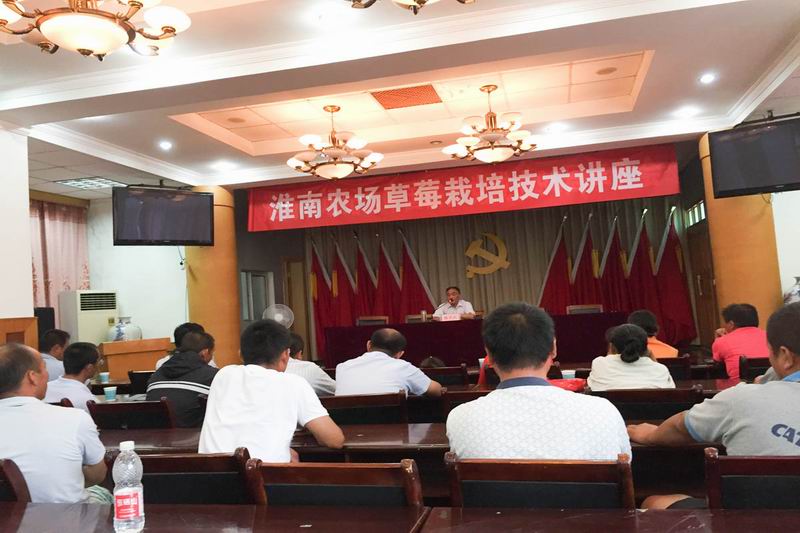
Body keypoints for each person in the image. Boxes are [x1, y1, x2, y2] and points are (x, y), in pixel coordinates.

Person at [627, 302, 800, 509]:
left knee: (654, 501)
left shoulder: (741, 400)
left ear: (786, 356)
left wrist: (649, 435)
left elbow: (680, 426)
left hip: (748, 519)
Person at [446, 303, 631, 460]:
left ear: (489, 356)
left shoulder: (460, 418)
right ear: (553, 348)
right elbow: (625, 469)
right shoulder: (603, 412)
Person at [199, 319, 344, 462]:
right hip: (263, 474)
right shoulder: (293, 383)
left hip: (209, 473)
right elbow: (334, 440)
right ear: (285, 356)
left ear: (241, 354)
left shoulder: (223, 375)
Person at [0, 343, 108, 503]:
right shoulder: (75, 418)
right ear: (32, 377)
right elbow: (98, 474)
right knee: (104, 494)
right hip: (68, 516)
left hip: (9, 516)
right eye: (44, 368)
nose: (48, 375)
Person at [335, 328, 443, 397]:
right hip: (393, 426)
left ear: (368, 345)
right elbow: (437, 391)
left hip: (344, 426)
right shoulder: (403, 367)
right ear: (399, 354)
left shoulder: (342, 367)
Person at [146, 331, 219, 427]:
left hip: (155, 433)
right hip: (194, 434)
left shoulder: (156, 374)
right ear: (205, 353)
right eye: (212, 353)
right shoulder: (212, 376)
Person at [587, 324, 675, 391]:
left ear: (612, 346)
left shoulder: (599, 364)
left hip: (609, 410)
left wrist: (611, 352)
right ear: (646, 348)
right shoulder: (661, 370)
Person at [712, 303, 770, 380]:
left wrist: (718, 339)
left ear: (731, 324)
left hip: (739, 385)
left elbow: (717, 364)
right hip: (773, 383)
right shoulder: (771, 336)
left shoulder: (722, 341)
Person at [43, 342, 100, 412]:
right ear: (89, 368)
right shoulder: (89, 401)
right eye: (98, 362)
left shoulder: (44, 389)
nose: (99, 365)